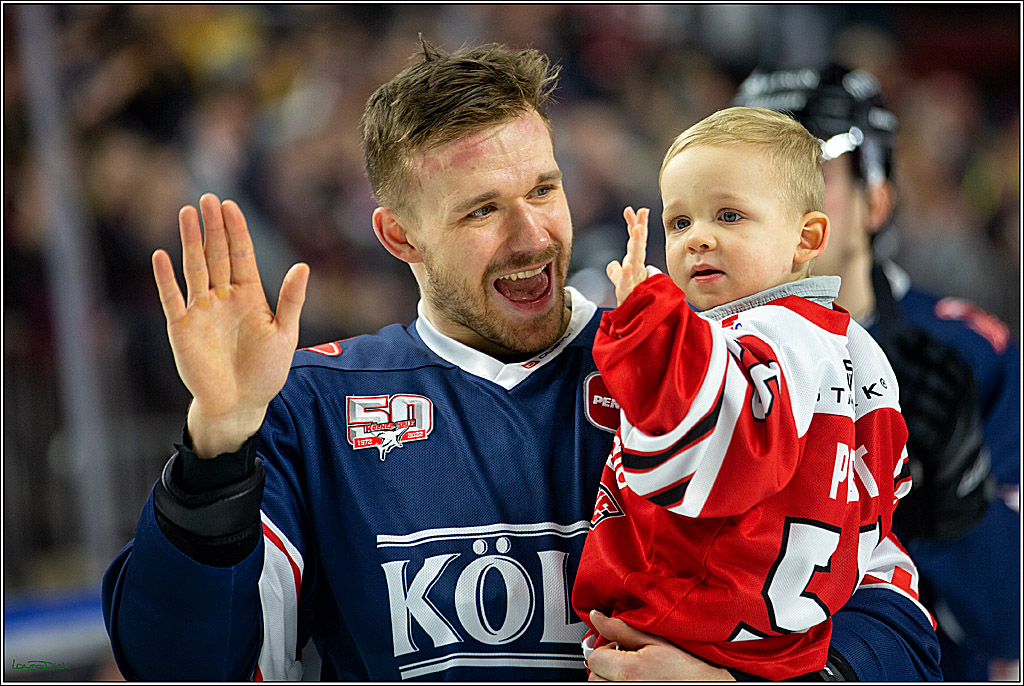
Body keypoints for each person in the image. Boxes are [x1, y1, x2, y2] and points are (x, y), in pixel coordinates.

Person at [101, 41, 941, 681]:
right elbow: (179, 665)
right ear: (399, 235)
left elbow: (894, 616)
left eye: (543, 190)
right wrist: (216, 442)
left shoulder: (710, 374)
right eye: (481, 211)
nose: (533, 236)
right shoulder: (311, 408)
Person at [571, 107, 912, 680]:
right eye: (679, 223)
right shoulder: (859, 350)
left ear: (807, 237)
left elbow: (691, 457)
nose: (698, 238)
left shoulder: (760, 338)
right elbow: (883, 500)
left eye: (729, 216)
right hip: (783, 646)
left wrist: (646, 330)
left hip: (685, 627)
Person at [733, 63, 1020, 681]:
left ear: (878, 197)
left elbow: (1010, 624)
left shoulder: (972, 356)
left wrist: (959, 491)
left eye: (807, 169)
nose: (771, 196)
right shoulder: (690, 357)